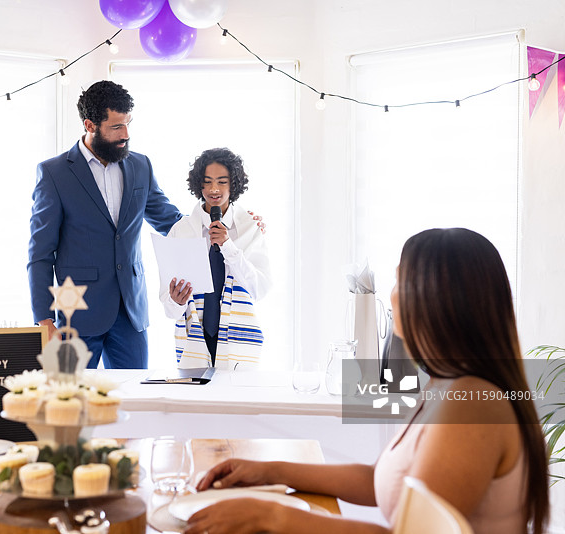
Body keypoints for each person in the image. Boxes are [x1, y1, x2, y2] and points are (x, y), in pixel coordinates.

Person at [185, 228, 549, 534]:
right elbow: (384, 478)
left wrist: (274, 516)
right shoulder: (449, 384)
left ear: (436, 300)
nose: (391, 295)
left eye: (399, 280)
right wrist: (268, 471)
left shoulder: (472, 403)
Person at [27, 80, 182, 369]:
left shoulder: (141, 165)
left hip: (131, 312)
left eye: (128, 124)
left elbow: (170, 222)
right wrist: (44, 319)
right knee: (73, 403)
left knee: (134, 401)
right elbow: (40, 253)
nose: (126, 135)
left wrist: (226, 226)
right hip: (76, 315)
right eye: (116, 127)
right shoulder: (54, 173)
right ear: (90, 125)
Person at [159, 148, 270, 369]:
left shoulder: (250, 228)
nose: (214, 189)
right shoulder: (181, 231)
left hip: (239, 341)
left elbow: (258, 289)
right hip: (194, 340)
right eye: (207, 182)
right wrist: (176, 301)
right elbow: (169, 309)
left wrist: (228, 246)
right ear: (198, 185)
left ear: (234, 184)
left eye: (222, 181)